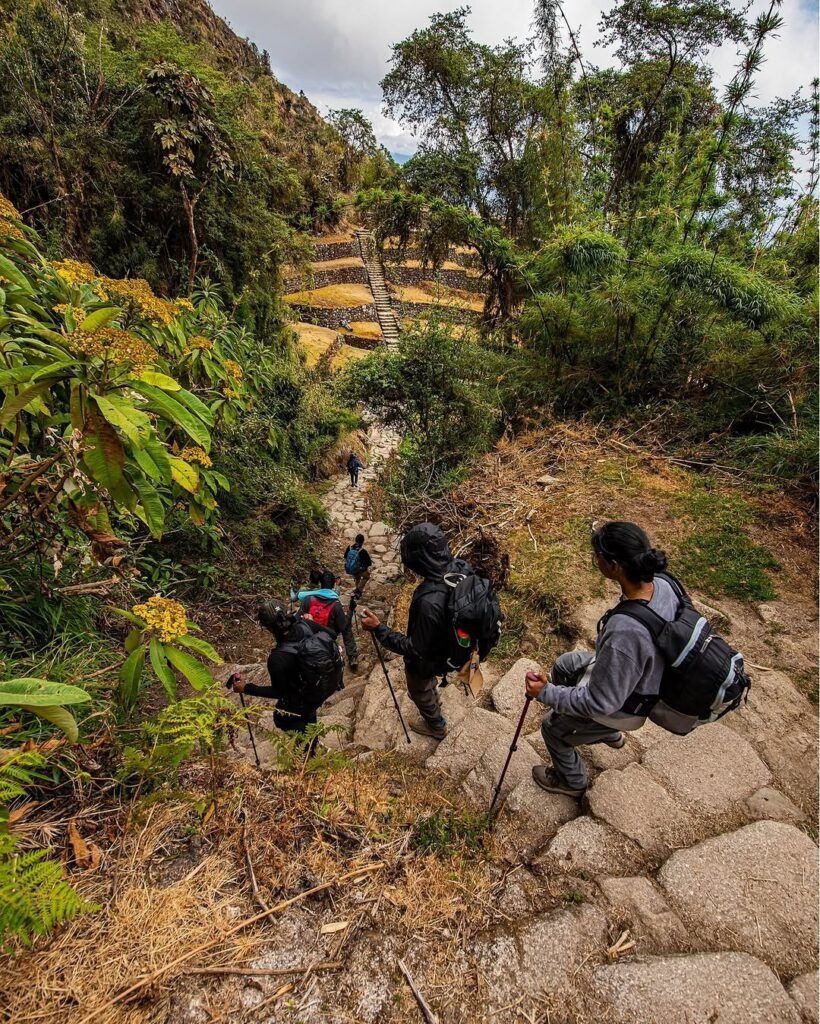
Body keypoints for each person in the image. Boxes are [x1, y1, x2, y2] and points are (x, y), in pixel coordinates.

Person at [525, 521, 681, 798]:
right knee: (566, 664)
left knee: (550, 729)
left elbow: (602, 701)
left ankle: (571, 781)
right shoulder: (664, 584)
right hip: (649, 673)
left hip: (627, 702)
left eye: (596, 555)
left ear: (613, 565)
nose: (594, 559)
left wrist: (547, 693)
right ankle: (602, 732)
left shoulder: (625, 631)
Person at [360, 522, 452, 740]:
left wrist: (379, 628)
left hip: (427, 659)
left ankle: (436, 725)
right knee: (428, 683)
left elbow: (415, 649)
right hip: (446, 646)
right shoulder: (457, 569)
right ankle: (433, 695)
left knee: (418, 690)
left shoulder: (428, 601)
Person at [230, 600, 338, 739]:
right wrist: (312, 623)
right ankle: (312, 746)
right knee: (309, 719)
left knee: (280, 717)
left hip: (300, 701)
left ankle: (305, 753)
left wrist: (246, 688)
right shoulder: (306, 625)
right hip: (319, 688)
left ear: (268, 627)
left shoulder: (277, 658)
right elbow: (332, 634)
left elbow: (279, 692)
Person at [299, 569, 359, 673]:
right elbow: (343, 626)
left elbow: (297, 618)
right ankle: (352, 656)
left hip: (307, 635)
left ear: (320, 584)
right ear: (333, 585)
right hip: (326, 637)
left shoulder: (308, 599)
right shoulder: (335, 604)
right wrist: (350, 610)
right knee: (347, 628)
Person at [344, 533, 373, 598]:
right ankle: (358, 590)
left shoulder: (349, 548)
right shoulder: (362, 551)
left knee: (357, 576)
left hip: (349, 569)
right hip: (358, 570)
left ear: (355, 540)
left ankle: (357, 591)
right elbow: (369, 563)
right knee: (367, 576)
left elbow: (345, 557)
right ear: (362, 542)